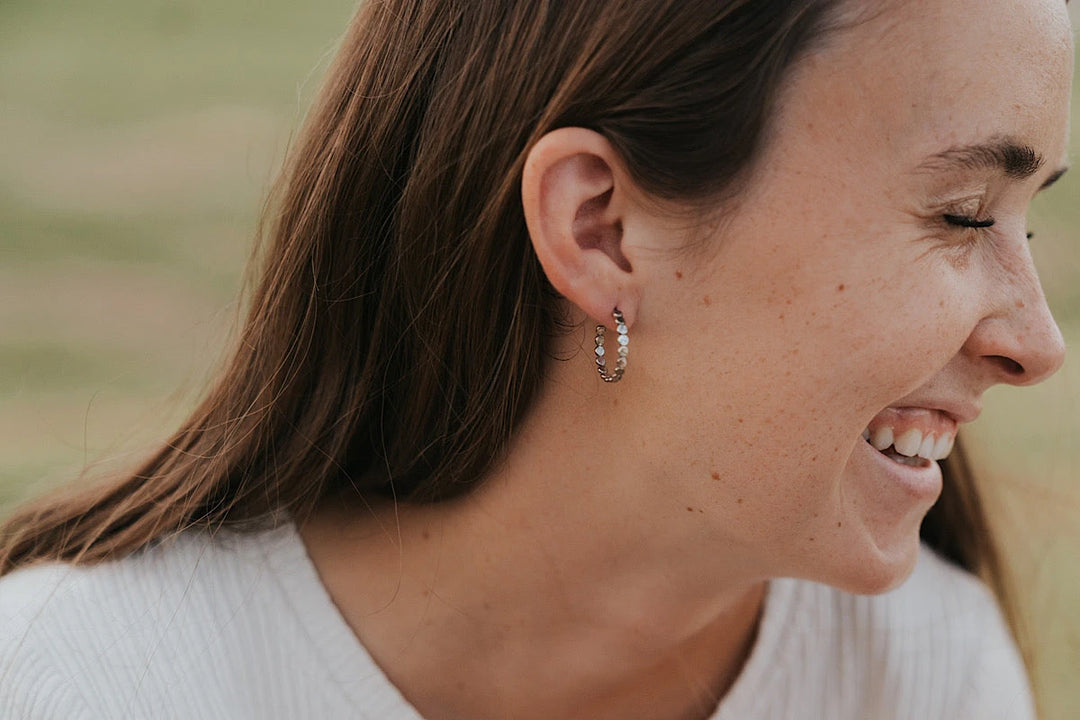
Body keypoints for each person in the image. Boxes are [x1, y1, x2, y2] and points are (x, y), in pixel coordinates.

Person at [0, 0, 1073, 717]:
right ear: (601, 227)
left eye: (1027, 218)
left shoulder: (920, 672)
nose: (1037, 343)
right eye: (962, 213)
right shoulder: (84, 682)